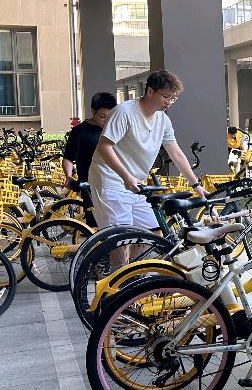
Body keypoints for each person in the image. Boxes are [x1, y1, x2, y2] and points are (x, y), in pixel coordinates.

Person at [89, 70, 207, 265]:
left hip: (137, 183)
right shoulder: (124, 112)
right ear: (150, 91)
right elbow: (104, 146)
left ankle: (135, 272)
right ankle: (120, 279)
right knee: (121, 239)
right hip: (110, 179)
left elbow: (176, 153)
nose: (169, 102)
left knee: (151, 230)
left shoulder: (163, 120)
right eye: (166, 96)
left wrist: (196, 185)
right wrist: (126, 177)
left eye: (173, 98)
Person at [62, 91, 116, 189]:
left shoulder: (114, 129)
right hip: (89, 185)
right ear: (93, 111)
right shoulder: (79, 131)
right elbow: (68, 158)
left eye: (110, 116)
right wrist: (68, 176)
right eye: (103, 116)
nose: (106, 120)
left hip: (114, 184)